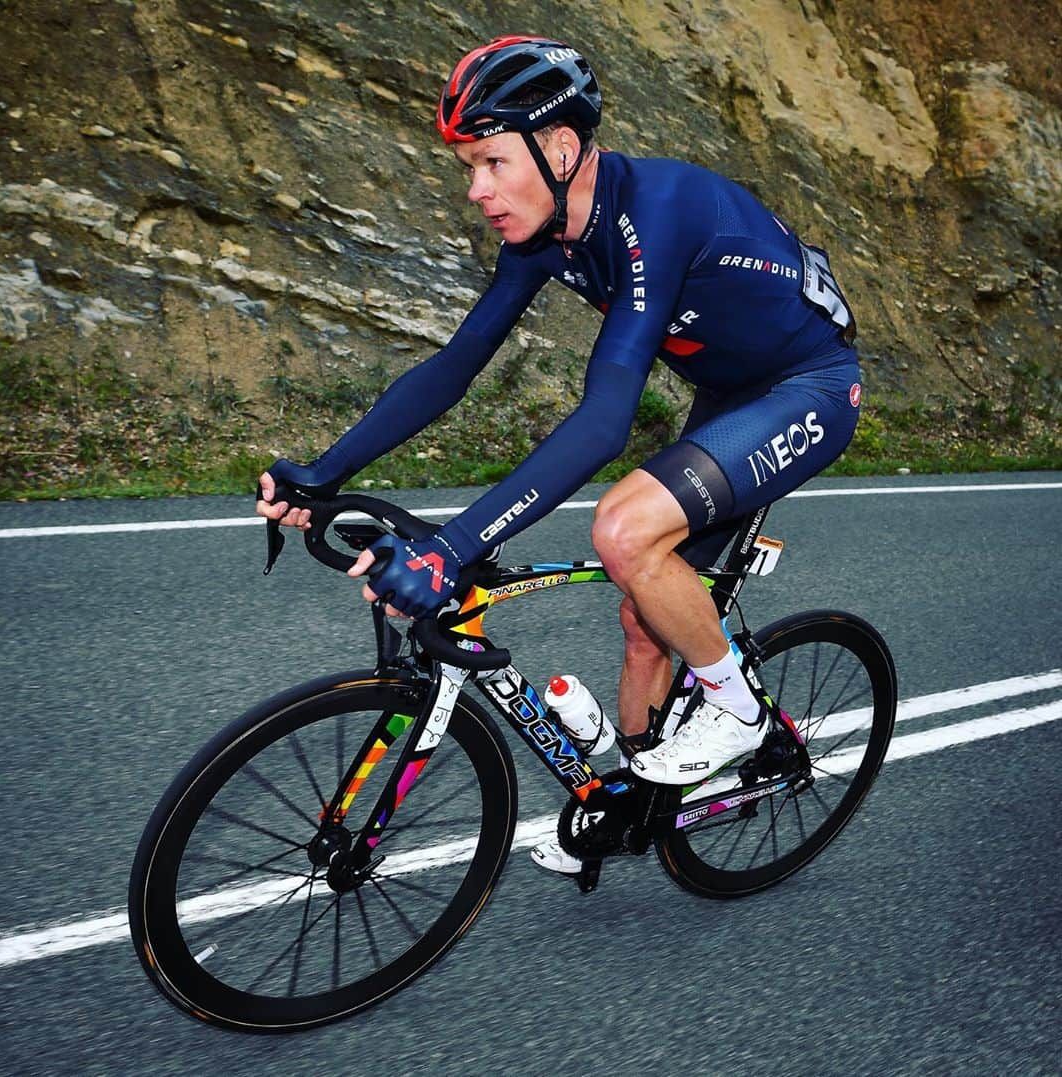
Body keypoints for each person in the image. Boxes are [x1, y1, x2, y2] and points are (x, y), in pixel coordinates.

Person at [256, 36, 862, 876]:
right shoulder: (547, 234)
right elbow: (453, 367)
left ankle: (737, 710)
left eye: (493, 161)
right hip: (731, 395)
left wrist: (454, 547)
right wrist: (323, 471)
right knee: (644, 616)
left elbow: (605, 418)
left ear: (561, 147)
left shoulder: (657, 209)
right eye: (469, 166)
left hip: (811, 385)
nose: (477, 189)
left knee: (624, 529)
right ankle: (639, 800)